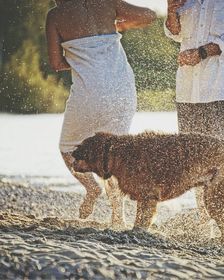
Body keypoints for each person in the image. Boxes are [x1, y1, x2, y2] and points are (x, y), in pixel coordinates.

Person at [46, 0, 156, 224]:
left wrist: (82, 61)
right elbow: (150, 16)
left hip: (89, 92)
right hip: (122, 89)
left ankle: (92, 188)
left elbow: (56, 63)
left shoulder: (55, 15)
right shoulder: (106, 2)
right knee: (114, 154)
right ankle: (118, 217)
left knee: (68, 148)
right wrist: (122, 24)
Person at [165, 0, 224, 243]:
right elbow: (174, 34)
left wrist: (201, 52)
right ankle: (206, 228)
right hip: (189, 90)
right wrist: (171, 10)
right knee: (195, 162)